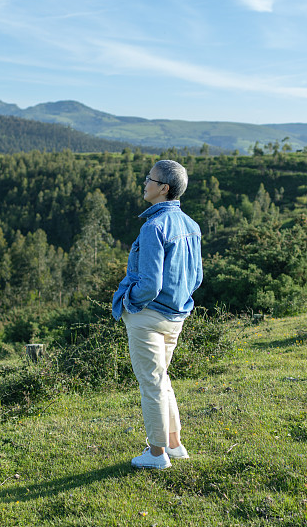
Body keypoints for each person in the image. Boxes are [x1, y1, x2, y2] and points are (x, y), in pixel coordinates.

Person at [112, 159, 203, 469]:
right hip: (176, 315)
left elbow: (150, 283)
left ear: (163, 188)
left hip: (148, 315)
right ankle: (174, 444)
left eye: (149, 179)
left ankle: (156, 454)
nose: (144, 183)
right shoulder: (191, 226)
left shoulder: (153, 227)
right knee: (161, 379)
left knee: (151, 384)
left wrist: (128, 303)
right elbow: (197, 278)